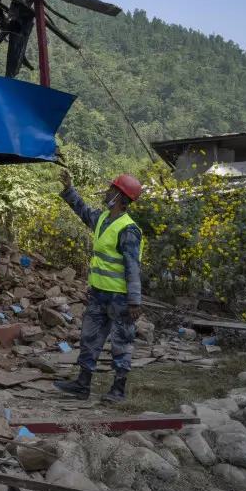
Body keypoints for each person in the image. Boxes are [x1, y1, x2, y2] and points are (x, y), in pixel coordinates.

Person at [52, 170, 144, 402]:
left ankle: (118, 390)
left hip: (120, 298)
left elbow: (132, 266)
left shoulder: (128, 229)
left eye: (111, 189)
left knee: (121, 341)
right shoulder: (104, 219)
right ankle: (82, 384)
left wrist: (134, 301)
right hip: (99, 293)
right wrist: (69, 190)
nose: (107, 191)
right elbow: (83, 211)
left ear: (120, 197)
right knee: (89, 337)